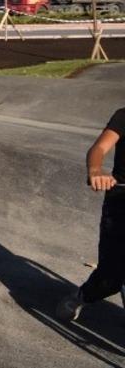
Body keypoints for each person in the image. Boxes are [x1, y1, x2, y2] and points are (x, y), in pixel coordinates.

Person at [56, 106, 125, 322]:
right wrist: (95, 170)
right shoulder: (123, 116)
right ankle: (82, 296)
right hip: (120, 202)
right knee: (110, 277)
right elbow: (99, 149)